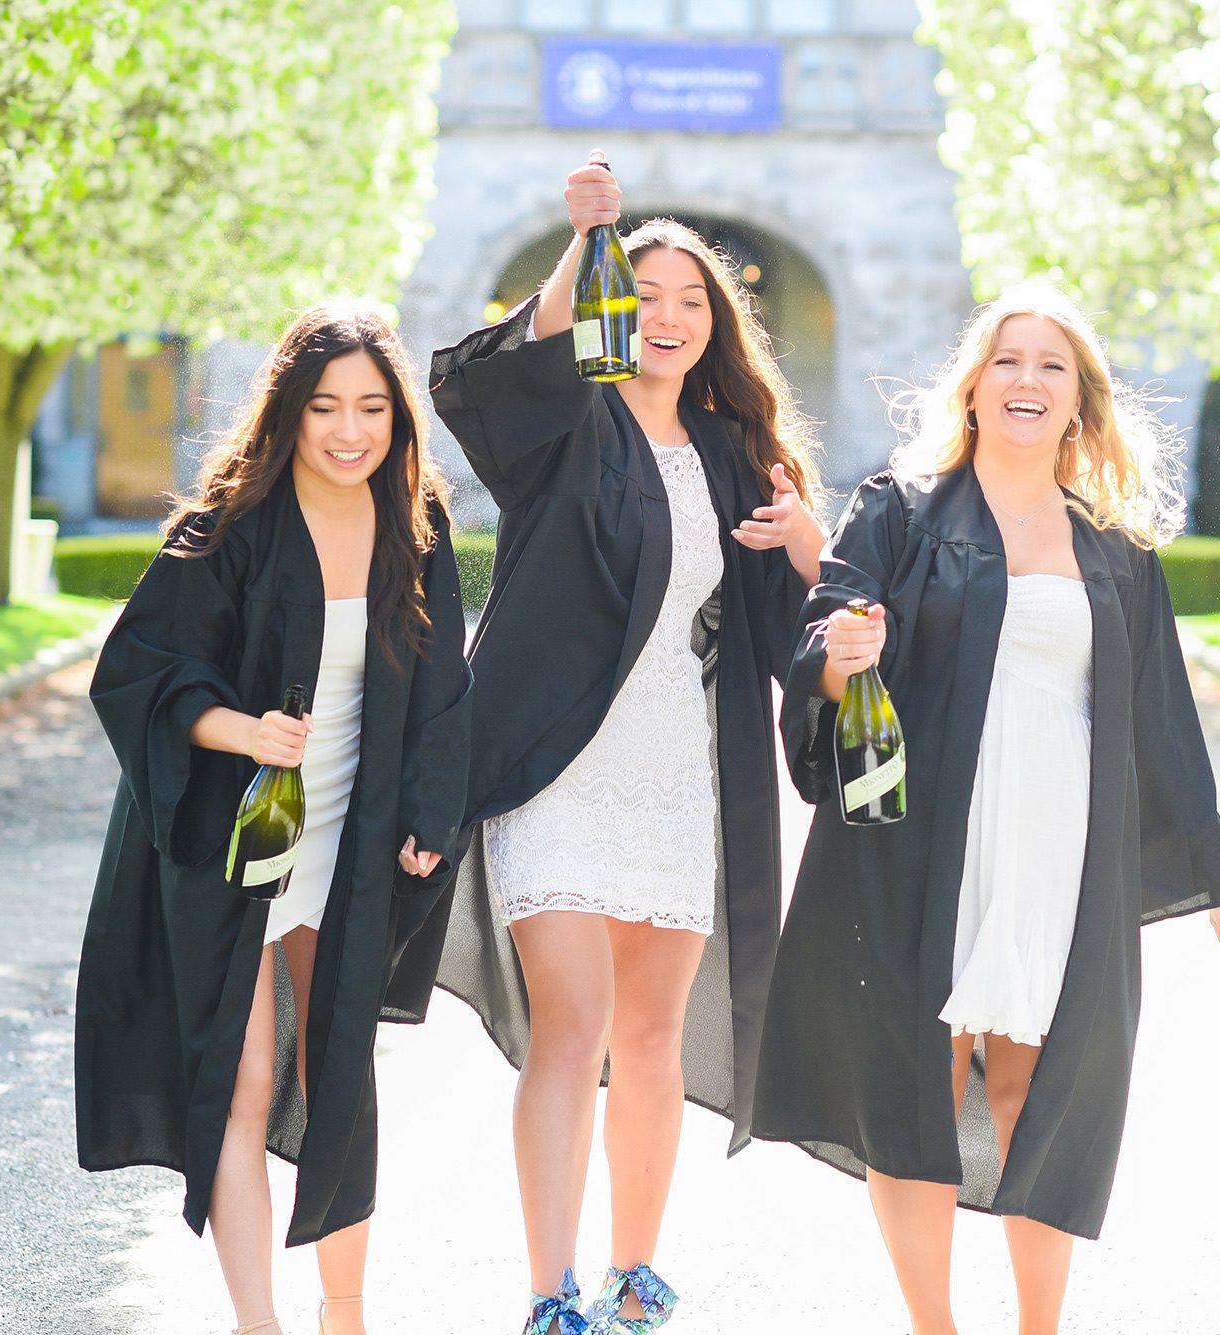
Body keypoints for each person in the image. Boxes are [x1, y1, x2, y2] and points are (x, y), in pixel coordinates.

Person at [752, 284, 1220, 1335]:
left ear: (1079, 402)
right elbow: (821, 628)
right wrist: (841, 662)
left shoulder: (1112, 546)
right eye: (1006, 362)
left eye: (1050, 367)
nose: (1026, 381)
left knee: (1041, 1085)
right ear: (972, 387)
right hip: (922, 837)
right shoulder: (898, 508)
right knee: (915, 1079)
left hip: (1058, 840)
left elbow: (1157, 717)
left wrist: (1217, 870)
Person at [422, 153, 824, 1334]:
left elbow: (792, 637)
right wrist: (579, 245)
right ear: (612, 306)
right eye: (643, 293)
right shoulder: (566, 428)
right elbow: (493, 372)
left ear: (718, 324)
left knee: (650, 1039)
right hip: (560, 763)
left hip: (683, 773)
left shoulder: (737, 459)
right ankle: (551, 1292)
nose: (667, 315)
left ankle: (633, 1281)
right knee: (575, 1026)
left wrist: (806, 543)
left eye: (691, 299)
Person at [76, 304, 471, 1335]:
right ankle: (261, 1324)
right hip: (236, 835)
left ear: (397, 419)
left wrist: (430, 814)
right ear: (288, 413)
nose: (349, 431)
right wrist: (239, 733)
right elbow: (137, 677)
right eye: (325, 407)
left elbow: (440, 695)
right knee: (243, 1077)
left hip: (353, 829)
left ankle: (345, 1314)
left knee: (338, 1069)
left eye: (372, 408)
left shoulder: (415, 526)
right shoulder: (230, 530)